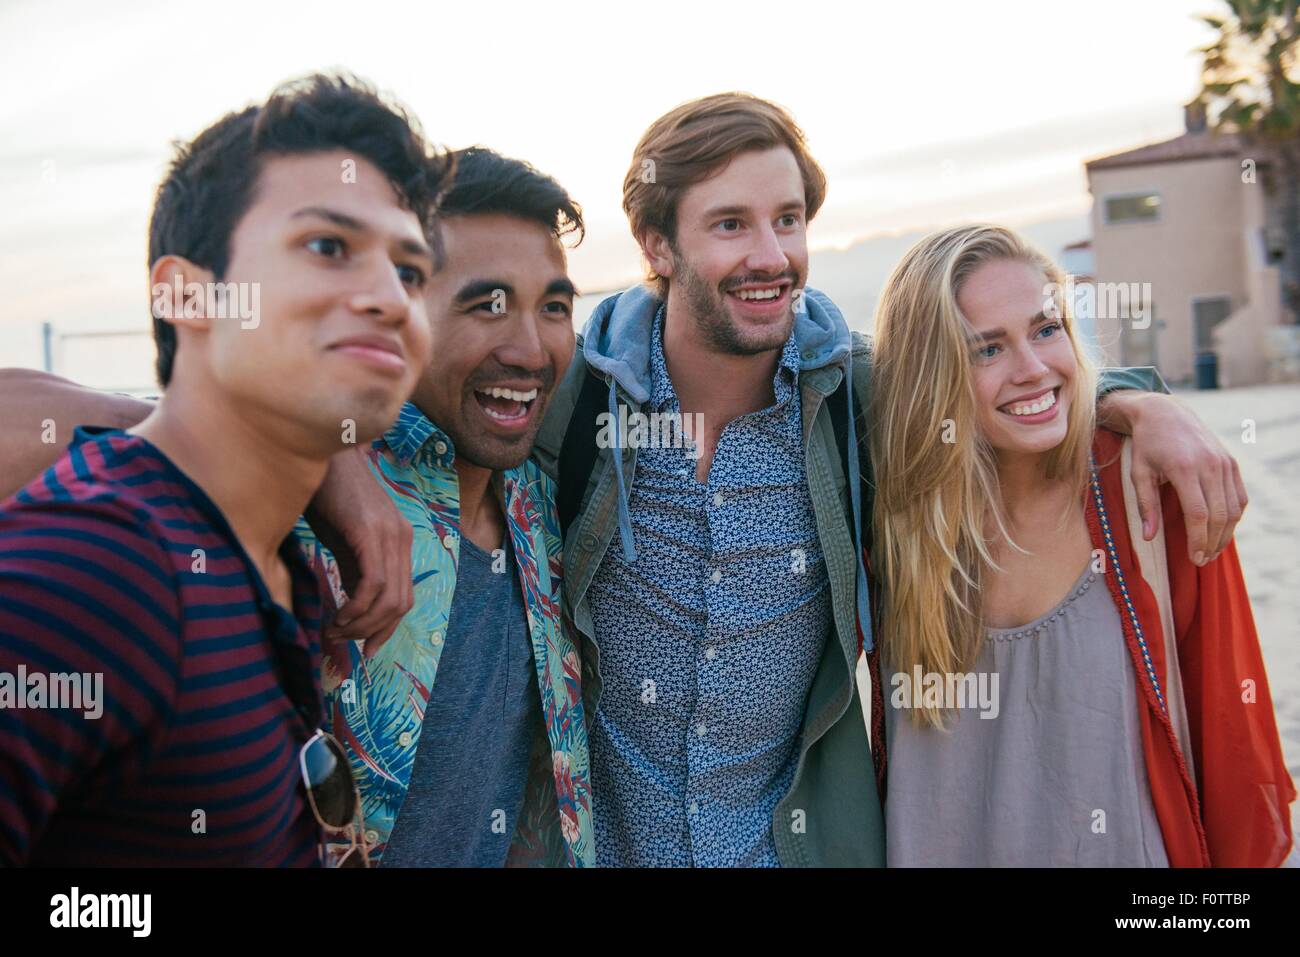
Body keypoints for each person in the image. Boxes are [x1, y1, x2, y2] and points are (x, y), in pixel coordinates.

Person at [532, 92, 1250, 866]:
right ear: (657, 245)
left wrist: (1139, 403)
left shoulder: (854, 400)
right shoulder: (571, 401)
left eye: (789, 218)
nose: (772, 256)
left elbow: (1001, 385)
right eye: (730, 223)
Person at [0, 73, 443, 866]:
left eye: (409, 271)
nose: (387, 295)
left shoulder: (267, 570)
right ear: (188, 296)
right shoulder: (97, 567)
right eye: (328, 247)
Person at [870, 224, 1294, 866]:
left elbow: (1234, 749)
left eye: (1046, 329)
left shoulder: (1151, 494)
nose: (1035, 368)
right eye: (986, 350)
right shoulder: (880, 514)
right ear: (932, 376)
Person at [301, 147, 594, 867]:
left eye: (553, 306)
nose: (531, 349)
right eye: (488, 305)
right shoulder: (298, 491)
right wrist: (322, 458)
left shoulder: (536, 503)